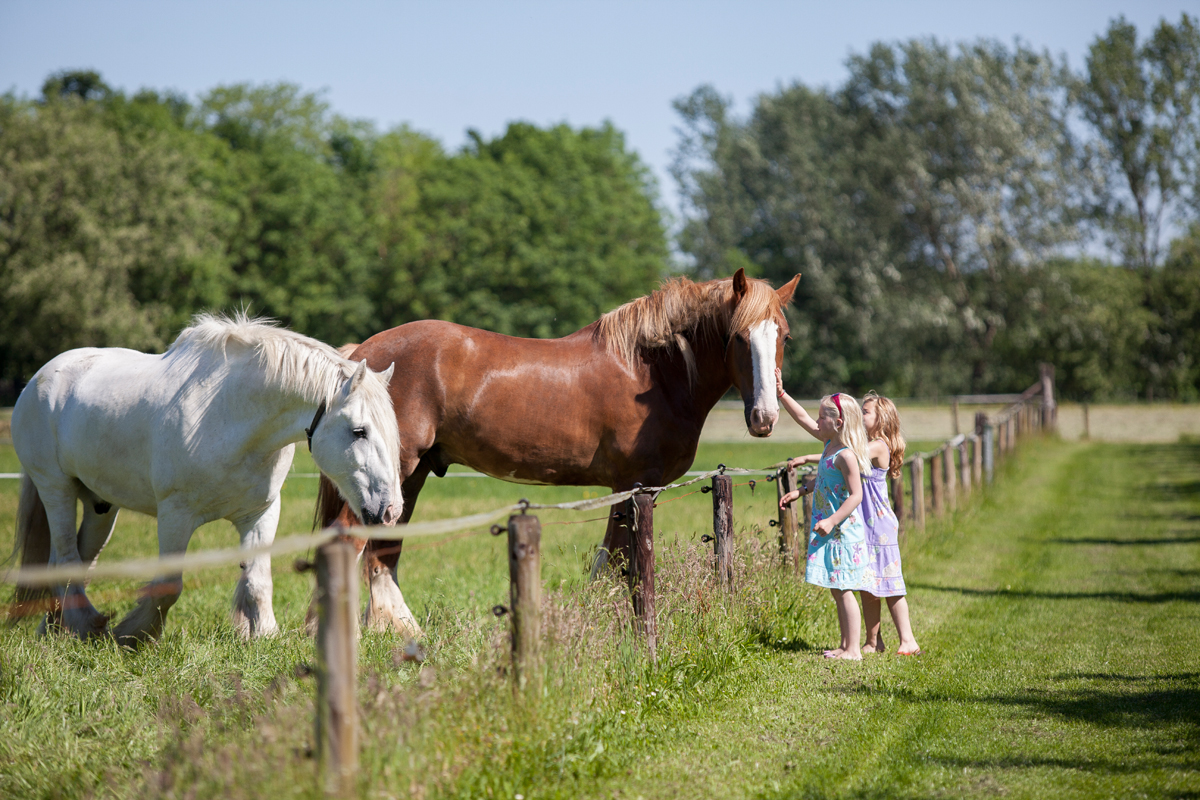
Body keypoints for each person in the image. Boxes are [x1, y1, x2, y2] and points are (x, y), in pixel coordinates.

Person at [776, 371, 871, 660]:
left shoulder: (846, 455)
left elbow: (857, 495)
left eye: (822, 418)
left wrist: (831, 521)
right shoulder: (829, 447)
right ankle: (845, 643)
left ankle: (853, 649)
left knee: (844, 589)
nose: (816, 423)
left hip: (841, 531)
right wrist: (801, 492)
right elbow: (825, 480)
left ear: (838, 422)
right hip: (829, 529)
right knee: (836, 587)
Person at [857, 391, 921, 656]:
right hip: (865, 525)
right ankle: (874, 641)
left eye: (865, 412)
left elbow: (847, 454)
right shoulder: (869, 443)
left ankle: (908, 641)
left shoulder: (878, 445)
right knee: (868, 585)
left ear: (881, 419)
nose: (860, 416)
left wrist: (812, 455)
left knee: (891, 584)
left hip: (880, 528)